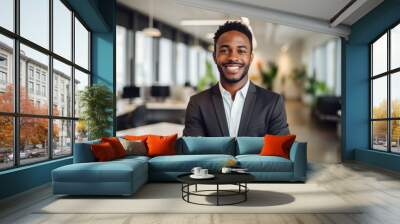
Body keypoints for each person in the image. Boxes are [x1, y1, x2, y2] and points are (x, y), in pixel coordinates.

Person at [183, 21, 289, 137]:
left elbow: (280, 152)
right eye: (224, 50)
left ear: (250, 57)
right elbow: (193, 152)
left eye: (241, 51)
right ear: (214, 57)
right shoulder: (198, 103)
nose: (233, 57)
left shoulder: (272, 103)